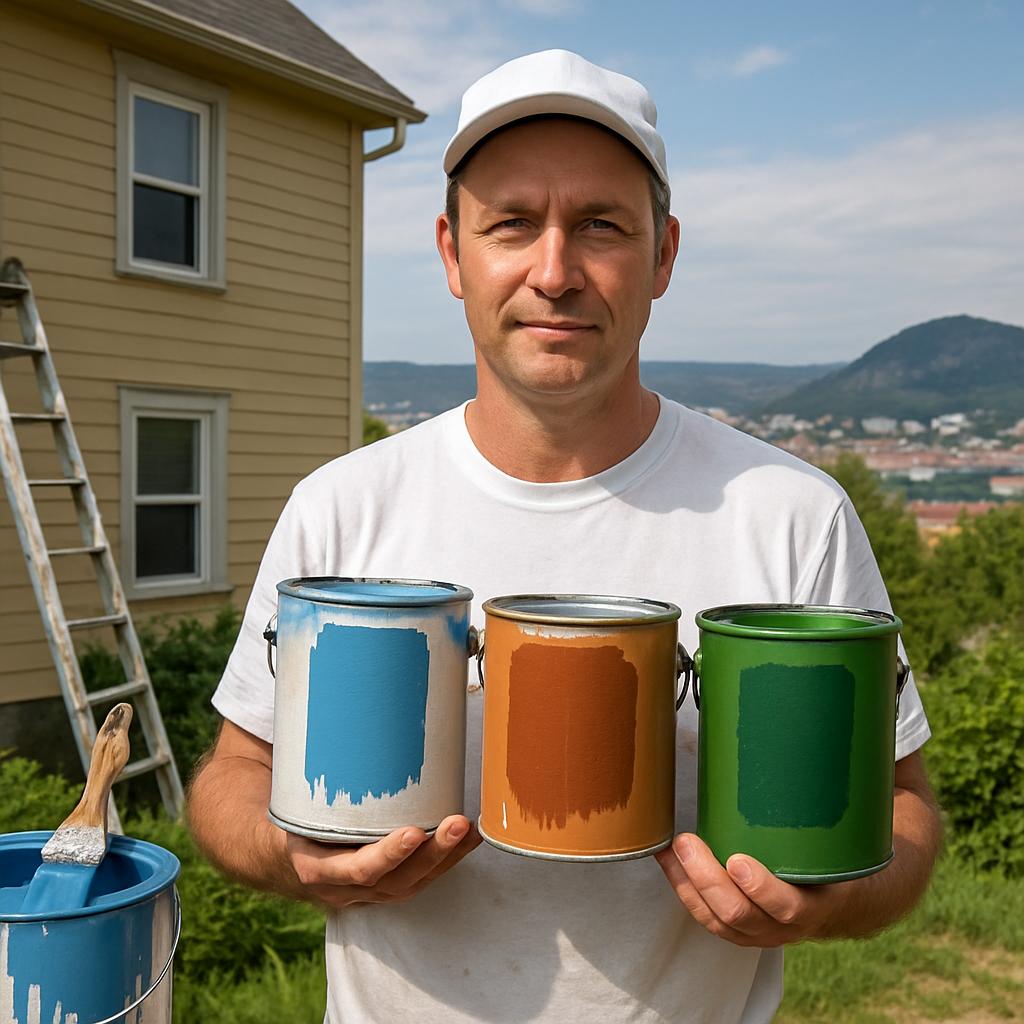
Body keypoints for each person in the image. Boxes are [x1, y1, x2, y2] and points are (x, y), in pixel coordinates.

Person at [189, 49, 942, 1023]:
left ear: (663, 254)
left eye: (600, 226)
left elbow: (904, 810)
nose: (554, 272)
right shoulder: (342, 505)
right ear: (453, 253)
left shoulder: (791, 512)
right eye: (510, 224)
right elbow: (233, 776)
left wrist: (827, 900)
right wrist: (289, 854)